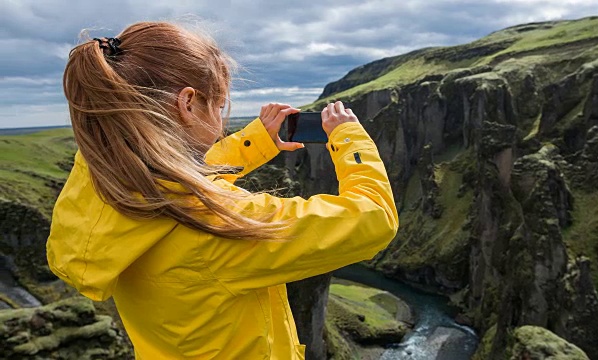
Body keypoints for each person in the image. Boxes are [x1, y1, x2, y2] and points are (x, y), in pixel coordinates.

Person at [46, 21, 398, 359]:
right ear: (186, 103)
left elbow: (168, 171)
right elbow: (374, 219)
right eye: (217, 105)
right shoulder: (216, 224)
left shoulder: (100, 178)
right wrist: (350, 139)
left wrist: (255, 141)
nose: (220, 121)